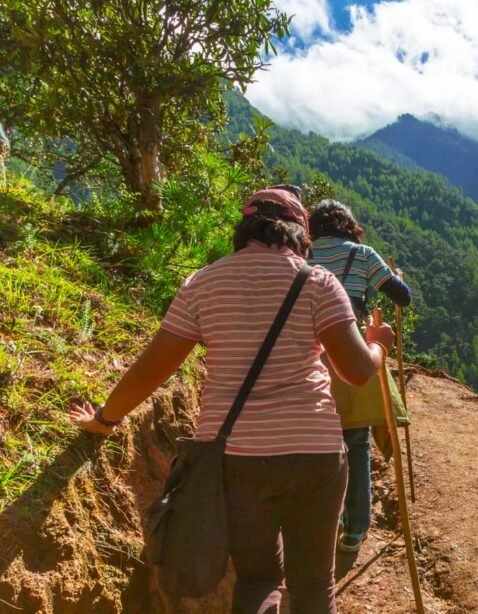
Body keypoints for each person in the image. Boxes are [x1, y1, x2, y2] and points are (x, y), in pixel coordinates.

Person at [69, 187, 395, 614]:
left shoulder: (203, 283)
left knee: (258, 578)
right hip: (314, 452)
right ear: (300, 234)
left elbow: (153, 368)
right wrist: (378, 346)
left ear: (244, 229)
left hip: (236, 456)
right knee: (314, 582)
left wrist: (105, 419)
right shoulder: (319, 283)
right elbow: (355, 371)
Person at [307, 199, 412, 559]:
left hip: (311, 355)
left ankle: (326, 520)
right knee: (357, 442)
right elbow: (402, 297)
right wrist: (397, 278)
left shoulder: (302, 255)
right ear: (349, 225)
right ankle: (354, 530)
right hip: (352, 349)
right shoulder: (363, 254)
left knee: (320, 443)